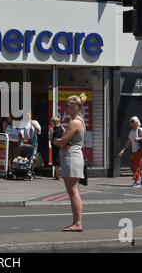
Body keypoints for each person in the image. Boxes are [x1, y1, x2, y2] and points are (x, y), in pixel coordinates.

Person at [52, 93, 87, 232]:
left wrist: (55, 140)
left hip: (72, 157)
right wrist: (61, 142)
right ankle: (76, 222)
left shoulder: (74, 122)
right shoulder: (79, 120)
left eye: (67, 106)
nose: (65, 108)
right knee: (73, 191)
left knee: (73, 192)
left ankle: (78, 223)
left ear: (75, 107)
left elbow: (62, 141)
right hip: (73, 156)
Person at [118, 116, 142, 188]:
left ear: (137, 122)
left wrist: (140, 138)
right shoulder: (131, 132)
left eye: (133, 121)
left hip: (141, 150)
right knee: (132, 166)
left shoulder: (140, 130)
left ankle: (137, 182)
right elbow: (128, 142)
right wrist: (123, 150)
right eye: (131, 122)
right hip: (134, 151)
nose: (131, 123)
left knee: (137, 166)